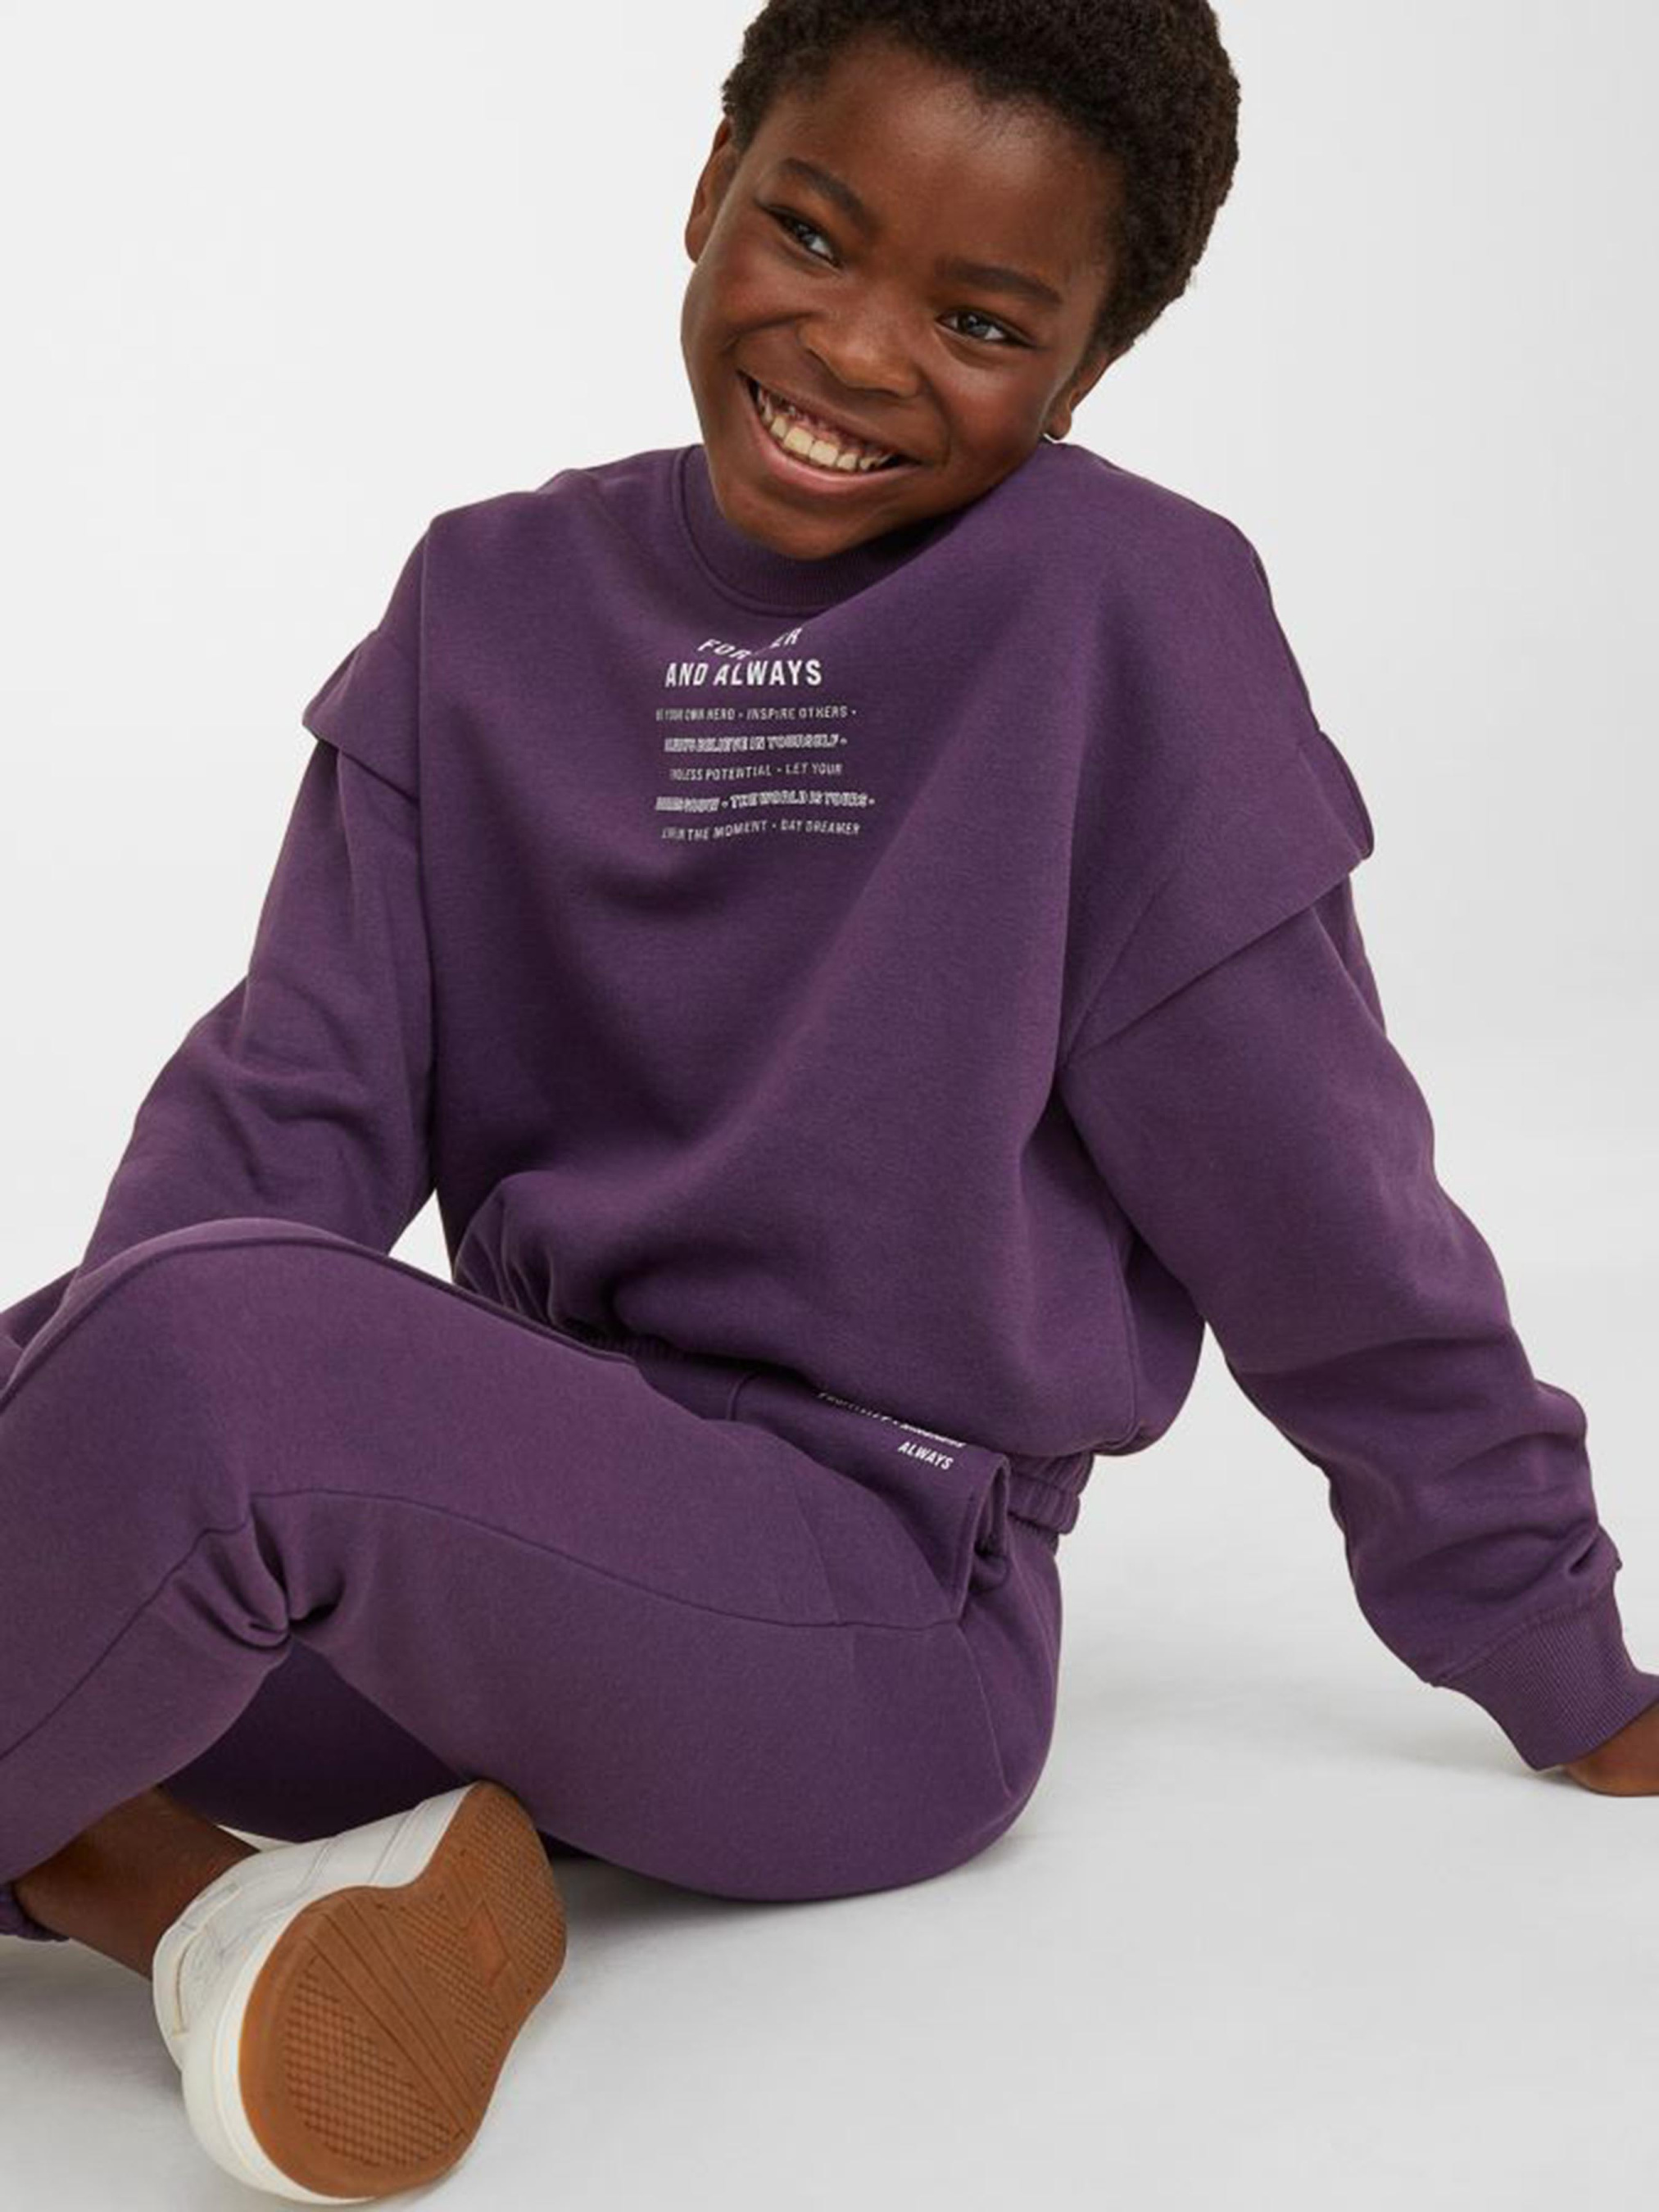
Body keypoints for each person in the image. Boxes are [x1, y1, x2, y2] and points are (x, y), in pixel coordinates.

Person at [6, 0, 1657, 2199]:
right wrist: (77, 1451)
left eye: (981, 321)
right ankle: (210, 1915)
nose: (860, 351)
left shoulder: (1117, 619)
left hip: (875, 1618)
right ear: (709, 192)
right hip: (499, 1546)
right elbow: (277, 1121)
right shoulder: (485, 603)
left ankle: (125, 1852)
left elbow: (1318, 1198)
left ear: (1085, 367)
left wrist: (1555, 1646)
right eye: (809, 232)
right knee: (110, 1350)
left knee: (205, 1362)